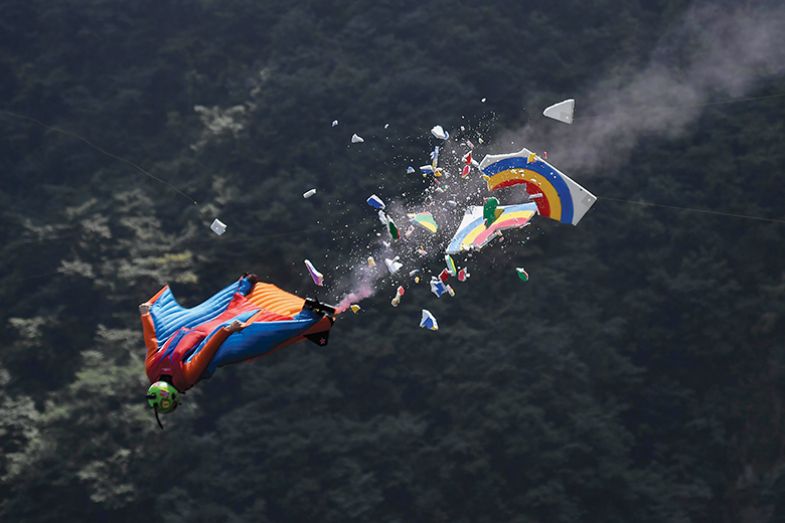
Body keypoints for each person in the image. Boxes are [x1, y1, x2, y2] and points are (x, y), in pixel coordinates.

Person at [140, 273, 335, 427]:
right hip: (191, 327)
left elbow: (206, 351)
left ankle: (309, 315)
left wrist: (228, 330)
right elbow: (152, 340)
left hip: (209, 332)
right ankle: (244, 284)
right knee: (220, 309)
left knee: (251, 344)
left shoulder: (186, 378)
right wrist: (146, 315)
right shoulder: (151, 369)